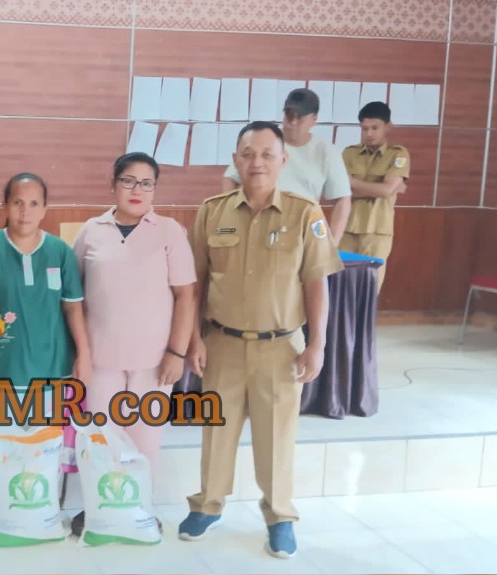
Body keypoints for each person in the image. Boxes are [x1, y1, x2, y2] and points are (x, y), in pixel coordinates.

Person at [180, 121, 343, 559]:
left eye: (267, 154)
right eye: (248, 154)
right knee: (216, 431)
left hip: (280, 347)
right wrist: (193, 338)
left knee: (277, 438)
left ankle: (279, 516)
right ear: (235, 159)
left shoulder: (305, 214)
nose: (257, 162)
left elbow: (316, 283)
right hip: (222, 343)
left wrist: (317, 344)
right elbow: (194, 283)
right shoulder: (212, 211)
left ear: (282, 160)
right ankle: (207, 505)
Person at [69, 151, 197, 536]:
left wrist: (177, 352)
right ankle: (99, 512)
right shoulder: (91, 231)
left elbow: (186, 296)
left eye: (146, 183)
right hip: (100, 360)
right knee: (100, 441)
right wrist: (79, 353)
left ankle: (138, 509)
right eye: (128, 181)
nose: (136, 190)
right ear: (113, 185)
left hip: (154, 363)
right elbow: (73, 297)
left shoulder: (169, 232)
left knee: (144, 443)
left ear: (155, 189)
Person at [0, 172, 93, 540]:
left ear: (45, 209)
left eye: (34, 203)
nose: (25, 211)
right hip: (1, 370)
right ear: (5, 205)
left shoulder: (60, 253)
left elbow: (73, 308)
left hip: (52, 370)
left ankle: (43, 515)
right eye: (18, 202)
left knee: (47, 449)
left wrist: (83, 355)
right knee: (2, 449)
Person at [222, 88, 352, 244]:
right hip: (257, 222)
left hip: (301, 228)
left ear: (314, 119)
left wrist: (332, 243)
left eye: (300, 118)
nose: (293, 123)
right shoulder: (266, 140)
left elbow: (342, 199)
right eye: (289, 116)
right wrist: (231, 215)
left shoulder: (326, 151)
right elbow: (230, 177)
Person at [340, 101, 410, 292]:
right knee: (342, 286)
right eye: (364, 128)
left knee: (369, 289)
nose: (369, 133)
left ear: (388, 127)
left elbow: (386, 191)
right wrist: (381, 188)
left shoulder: (398, 154)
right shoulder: (349, 153)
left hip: (377, 230)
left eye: (374, 128)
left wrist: (353, 183)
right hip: (347, 228)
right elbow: (339, 189)